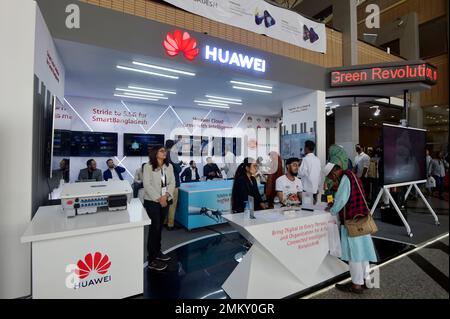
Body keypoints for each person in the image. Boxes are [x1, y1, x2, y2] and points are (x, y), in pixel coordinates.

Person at [324, 163, 378, 294]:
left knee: (353, 254)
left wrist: (332, 210)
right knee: (362, 252)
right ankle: (366, 280)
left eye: (331, 177)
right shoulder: (352, 175)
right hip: (361, 219)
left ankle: (356, 285)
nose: (333, 180)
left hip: (352, 221)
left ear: (334, 172)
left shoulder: (345, 178)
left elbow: (342, 199)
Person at [143, 145, 175, 271]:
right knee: (154, 229)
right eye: (162, 151)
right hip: (152, 201)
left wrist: (166, 195)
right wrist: (159, 198)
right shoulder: (148, 166)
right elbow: (147, 184)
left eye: (165, 151)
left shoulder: (169, 166)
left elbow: (172, 182)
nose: (164, 152)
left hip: (165, 200)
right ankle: (151, 259)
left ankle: (158, 252)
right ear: (155, 153)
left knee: (160, 227)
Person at [165, 140, 183, 231]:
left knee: (165, 203)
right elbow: (178, 169)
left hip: (164, 183)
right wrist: (179, 165)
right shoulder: (173, 155)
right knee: (172, 204)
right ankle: (170, 224)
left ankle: (164, 221)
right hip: (173, 183)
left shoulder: (162, 154)